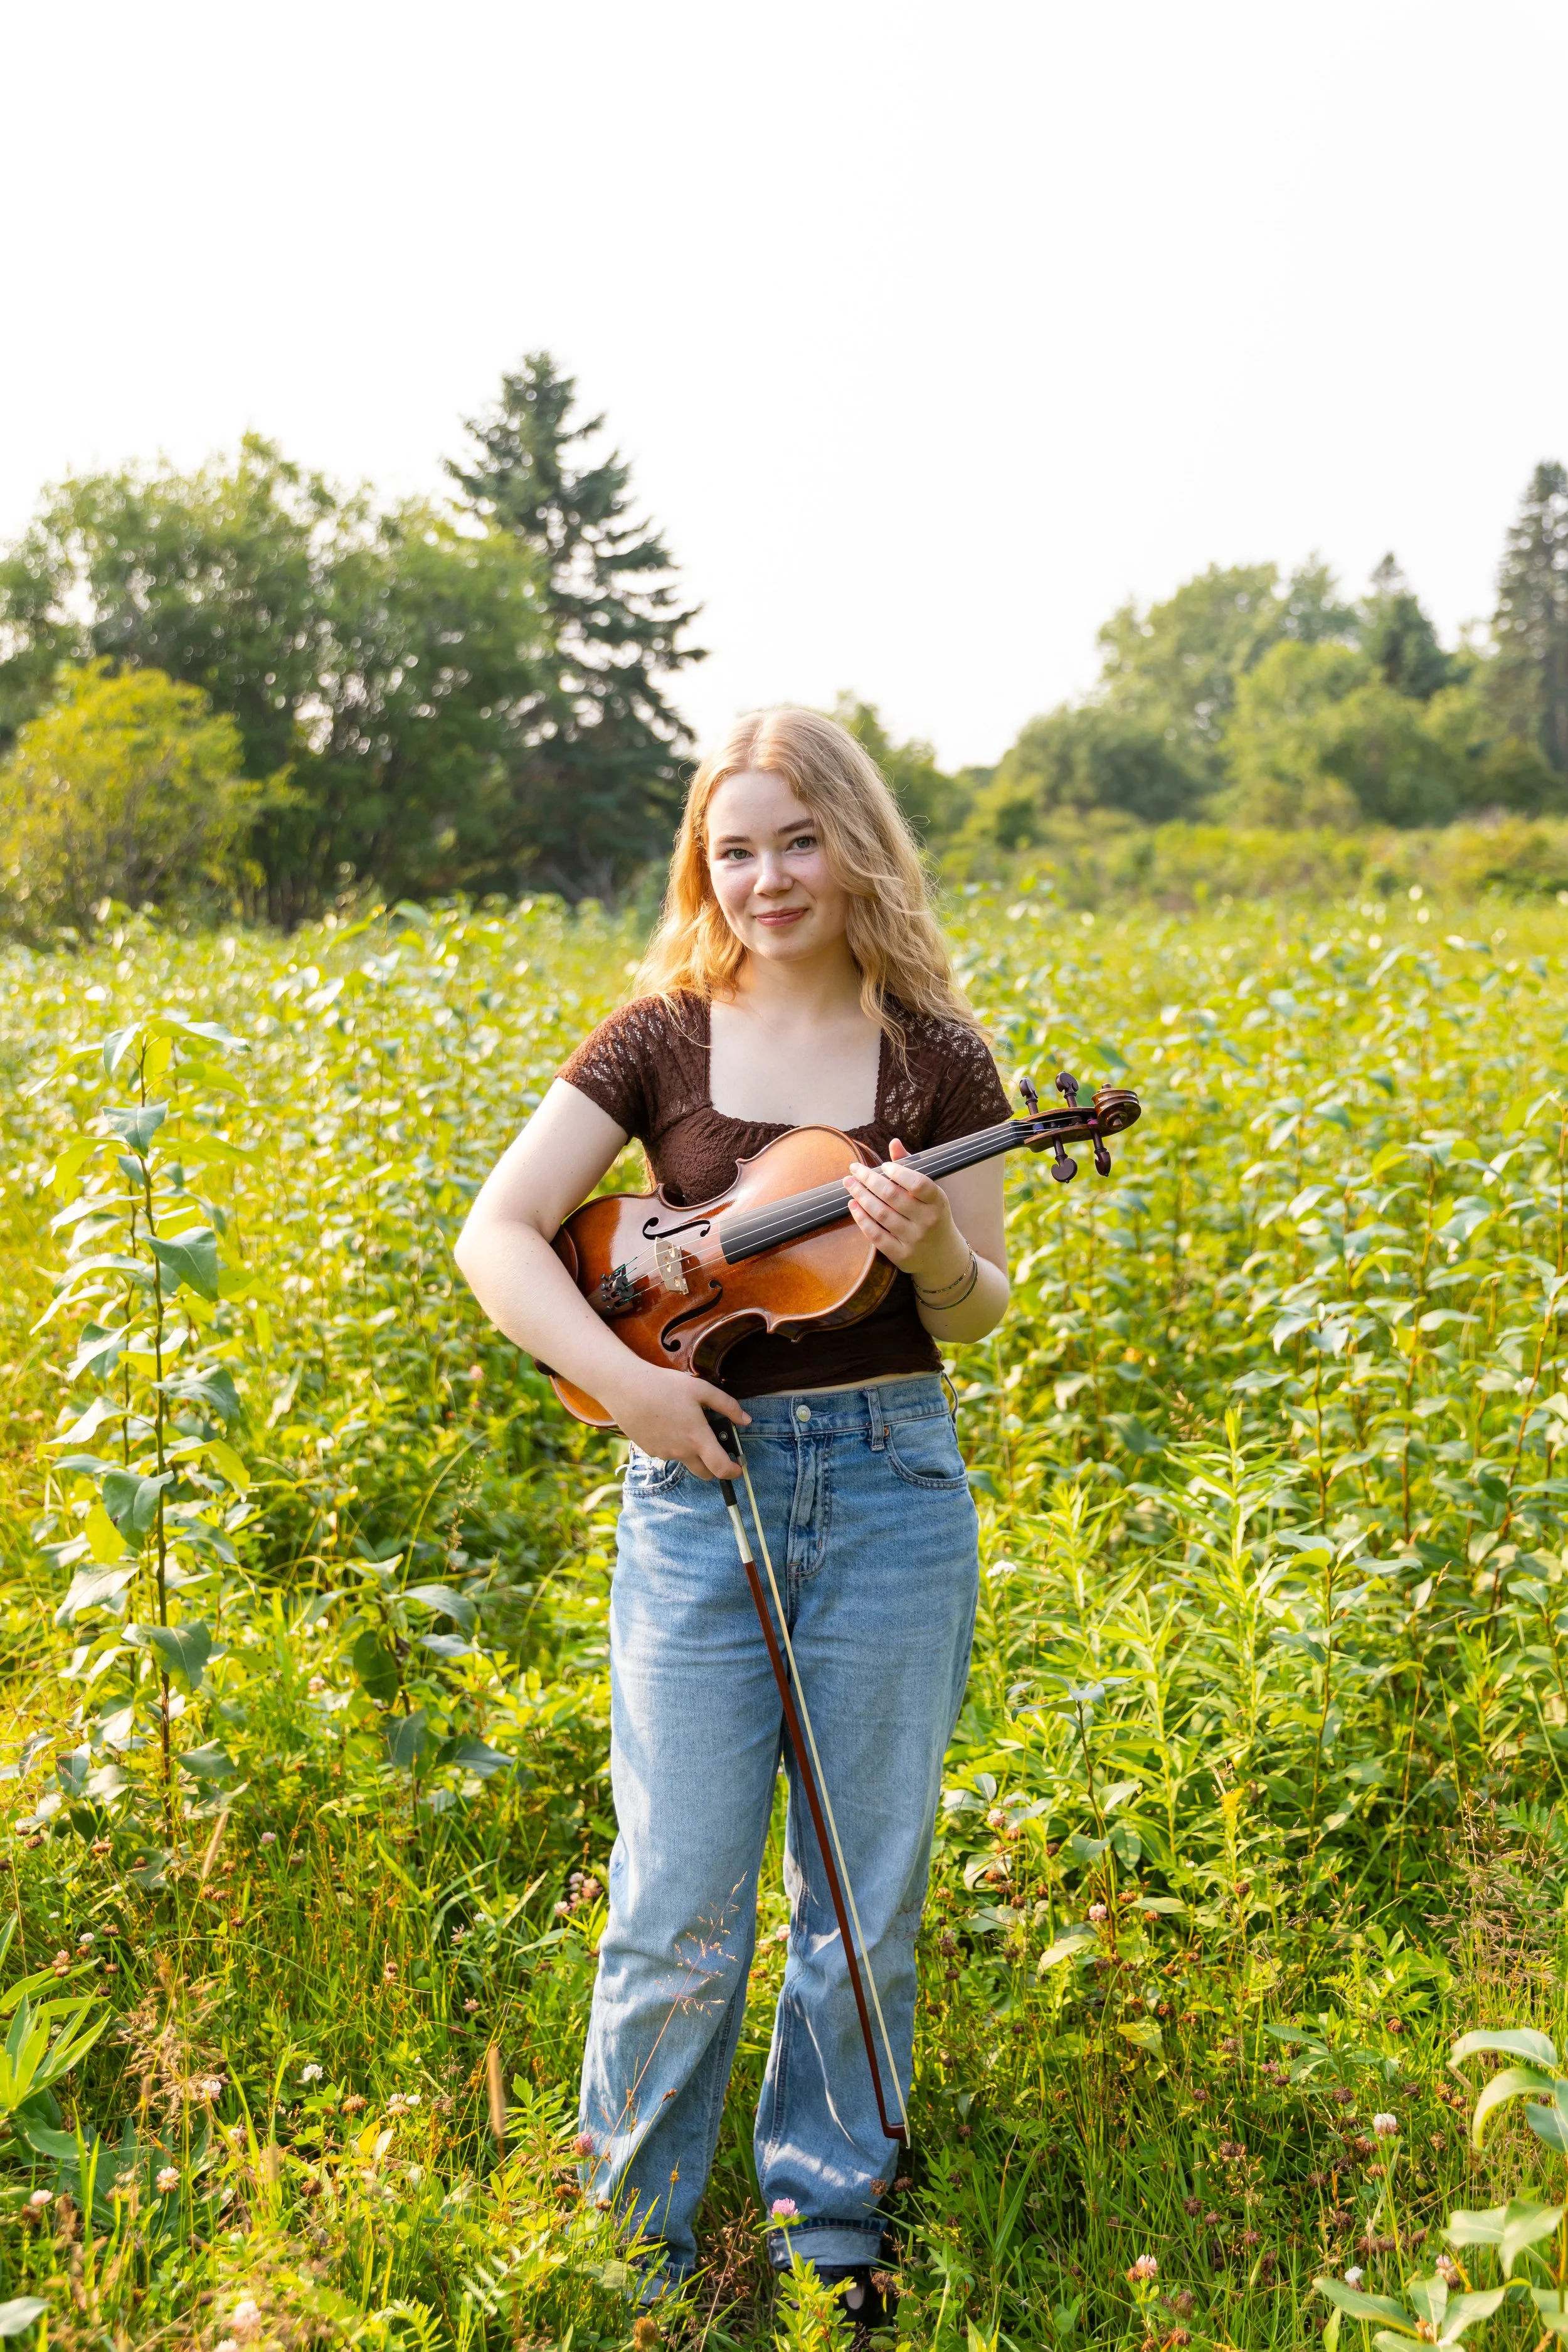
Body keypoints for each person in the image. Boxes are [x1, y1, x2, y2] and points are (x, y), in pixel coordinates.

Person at [454, 707, 1012, 2327]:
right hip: (694, 1481)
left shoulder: (936, 1056)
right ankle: (627, 2236)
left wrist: (921, 1257)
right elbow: (500, 1234)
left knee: (858, 1889)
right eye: (734, 846)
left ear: (854, 844)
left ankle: (824, 2219)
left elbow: (976, 1307)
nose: (766, 876)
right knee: (674, 1895)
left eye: (797, 838)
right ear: (706, 861)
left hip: (892, 1482)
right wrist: (618, 1386)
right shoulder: (658, 1037)